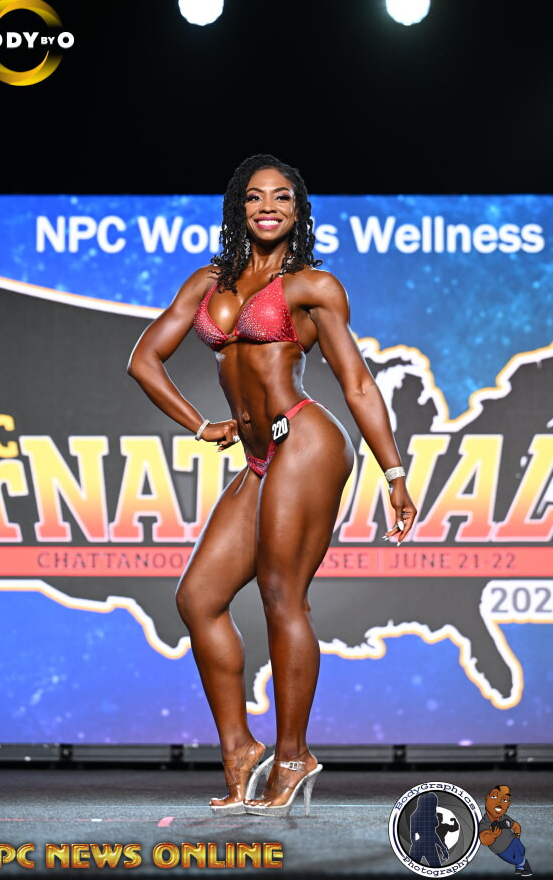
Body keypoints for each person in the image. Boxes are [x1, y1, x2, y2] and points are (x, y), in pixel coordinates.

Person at [127, 153, 417, 816]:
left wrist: (394, 473)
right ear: (239, 207)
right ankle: (240, 750)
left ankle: (293, 755)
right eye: (255, 196)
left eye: (282, 197)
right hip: (259, 458)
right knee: (198, 598)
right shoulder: (208, 282)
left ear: (297, 211)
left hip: (305, 441)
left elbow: (357, 383)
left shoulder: (313, 287)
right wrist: (200, 424)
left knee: (283, 596)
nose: (268, 207)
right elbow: (144, 360)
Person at [479, 785, 532, 876]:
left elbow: (515, 825)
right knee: (514, 859)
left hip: (513, 840)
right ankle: (523, 864)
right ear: (487, 799)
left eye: (504, 800)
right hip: (501, 849)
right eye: (494, 797)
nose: (499, 802)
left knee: (521, 851)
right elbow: (484, 840)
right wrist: (493, 835)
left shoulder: (504, 818)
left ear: (508, 804)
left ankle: (520, 866)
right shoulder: (484, 823)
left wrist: (517, 836)